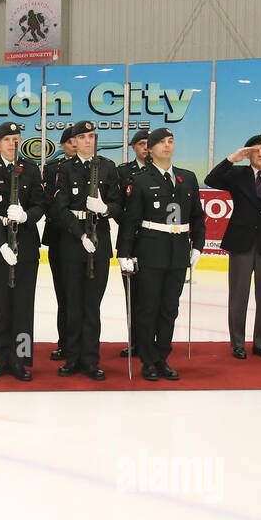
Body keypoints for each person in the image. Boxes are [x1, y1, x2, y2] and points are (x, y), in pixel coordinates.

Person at [117, 127, 205, 382]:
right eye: (161, 142)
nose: (167, 145)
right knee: (148, 309)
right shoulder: (141, 180)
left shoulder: (186, 179)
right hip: (150, 252)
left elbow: (198, 217)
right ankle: (147, 360)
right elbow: (130, 221)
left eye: (171, 141)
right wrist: (124, 253)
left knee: (169, 309)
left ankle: (162, 357)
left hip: (178, 254)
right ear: (151, 149)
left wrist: (197, 246)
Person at [205, 133, 261, 360]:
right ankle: (238, 344)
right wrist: (232, 159)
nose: (260, 153)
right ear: (248, 154)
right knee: (238, 296)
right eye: (255, 150)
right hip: (242, 243)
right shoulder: (237, 174)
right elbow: (210, 180)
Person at [0, 121, 47, 382]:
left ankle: (21, 359)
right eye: (7, 139)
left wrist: (27, 216)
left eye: (16, 138)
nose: (12, 143)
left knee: (24, 307)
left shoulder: (31, 169)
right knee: (2, 306)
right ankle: (3, 359)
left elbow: (40, 204)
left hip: (25, 247)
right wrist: (1, 244)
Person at [50, 120, 122, 380]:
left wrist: (105, 209)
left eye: (92, 136)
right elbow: (59, 207)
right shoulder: (65, 169)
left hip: (100, 239)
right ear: (75, 142)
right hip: (73, 241)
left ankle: (91, 360)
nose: (88, 141)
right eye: (82, 137)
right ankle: (72, 358)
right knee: (73, 302)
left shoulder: (107, 167)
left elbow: (118, 204)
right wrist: (79, 234)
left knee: (93, 304)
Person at [116, 128, 152, 358]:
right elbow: (116, 204)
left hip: (155, 240)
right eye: (141, 144)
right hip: (129, 241)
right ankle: (135, 342)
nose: (146, 148)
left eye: (150, 144)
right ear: (133, 147)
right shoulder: (122, 173)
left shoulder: (163, 172)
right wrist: (130, 225)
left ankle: (153, 341)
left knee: (153, 295)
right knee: (133, 294)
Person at [43, 128, 77, 360]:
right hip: (59, 237)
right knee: (64, 294)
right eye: (72, 141)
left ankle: (83, 344)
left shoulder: (99, 167)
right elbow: (47, 201)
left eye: (82, 139)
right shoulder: (52, 169)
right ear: (63, 145)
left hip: (87, 239)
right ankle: (65, 342)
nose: (76, 144)